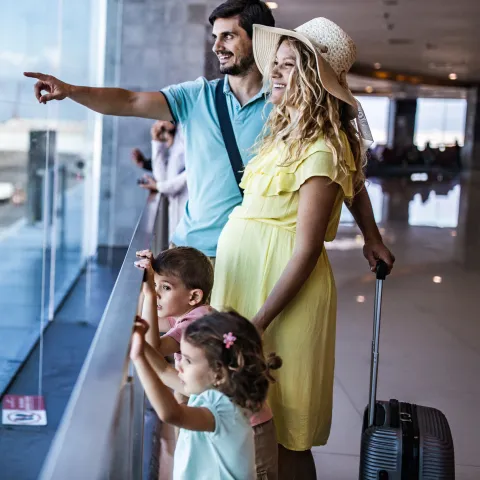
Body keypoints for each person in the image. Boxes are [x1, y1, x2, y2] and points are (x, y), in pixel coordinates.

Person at [23, 0, 395, 274]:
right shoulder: (196, 96)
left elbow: (344, 175)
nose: (217, 45)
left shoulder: (289, 103)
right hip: (192, 252)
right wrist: (71, 90)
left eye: (229, 36)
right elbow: (130, 100)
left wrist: (371, 236)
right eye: (214, 36)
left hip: (257, 260)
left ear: (258, 38)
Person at [211, 18, 380, 479]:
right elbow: (358, 185)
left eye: (289, 66)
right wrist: (374, 236)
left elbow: (305, 250)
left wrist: (257, 324)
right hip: (247, 284)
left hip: (281, 297)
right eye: (277, 64)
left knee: (286, 429)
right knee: (245, 418)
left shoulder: (321, 149)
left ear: (314, 79)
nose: (276, 74)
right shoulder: (282, 136)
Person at [136, 246, 279, 479]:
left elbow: (170, 406)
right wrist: (138, 345)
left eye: (165, 287)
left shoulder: (197, 326)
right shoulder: (201, 329)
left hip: (254, 436)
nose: (180, 366)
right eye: (156, 285)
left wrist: (150, 296)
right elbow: (162, 367)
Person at [130, 311, 281, 480]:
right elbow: (163, 370)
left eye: (188, 360)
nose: (179, 365)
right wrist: (140, 342)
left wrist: (138, 358)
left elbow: (171, 414)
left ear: (218, 374)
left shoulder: (224, 408)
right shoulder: (208, 391)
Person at [136, 121, 188, 240]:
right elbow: (162, 178)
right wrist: (157, 142)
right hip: (177, 222)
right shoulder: (176, 136)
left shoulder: (189, 132)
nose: (158, 124)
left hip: (191, 220)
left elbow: (190, 174)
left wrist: (159, 186)